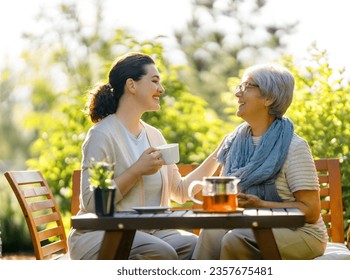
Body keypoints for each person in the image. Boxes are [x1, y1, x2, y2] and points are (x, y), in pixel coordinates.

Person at [67, 52, 221, 260]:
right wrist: (137, 170)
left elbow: (181, 191)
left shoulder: (154, 135)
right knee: (162, 252)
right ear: (132, 85)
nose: (161, 89)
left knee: (197, 245)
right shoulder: (102, 134)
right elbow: (93, 202)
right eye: (154, 81)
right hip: (100, 233)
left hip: (148, 232)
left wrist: (219, 153)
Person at [192, 63, 328, 260]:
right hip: (252, 225)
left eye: (247, 87)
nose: (238, 94)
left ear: (269, 98)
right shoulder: (235, 142)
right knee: (211, 231)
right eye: (240, 87)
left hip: (302, 233)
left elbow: (311, 212)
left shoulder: (294, 146)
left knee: (236, 239)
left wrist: (261, 205)